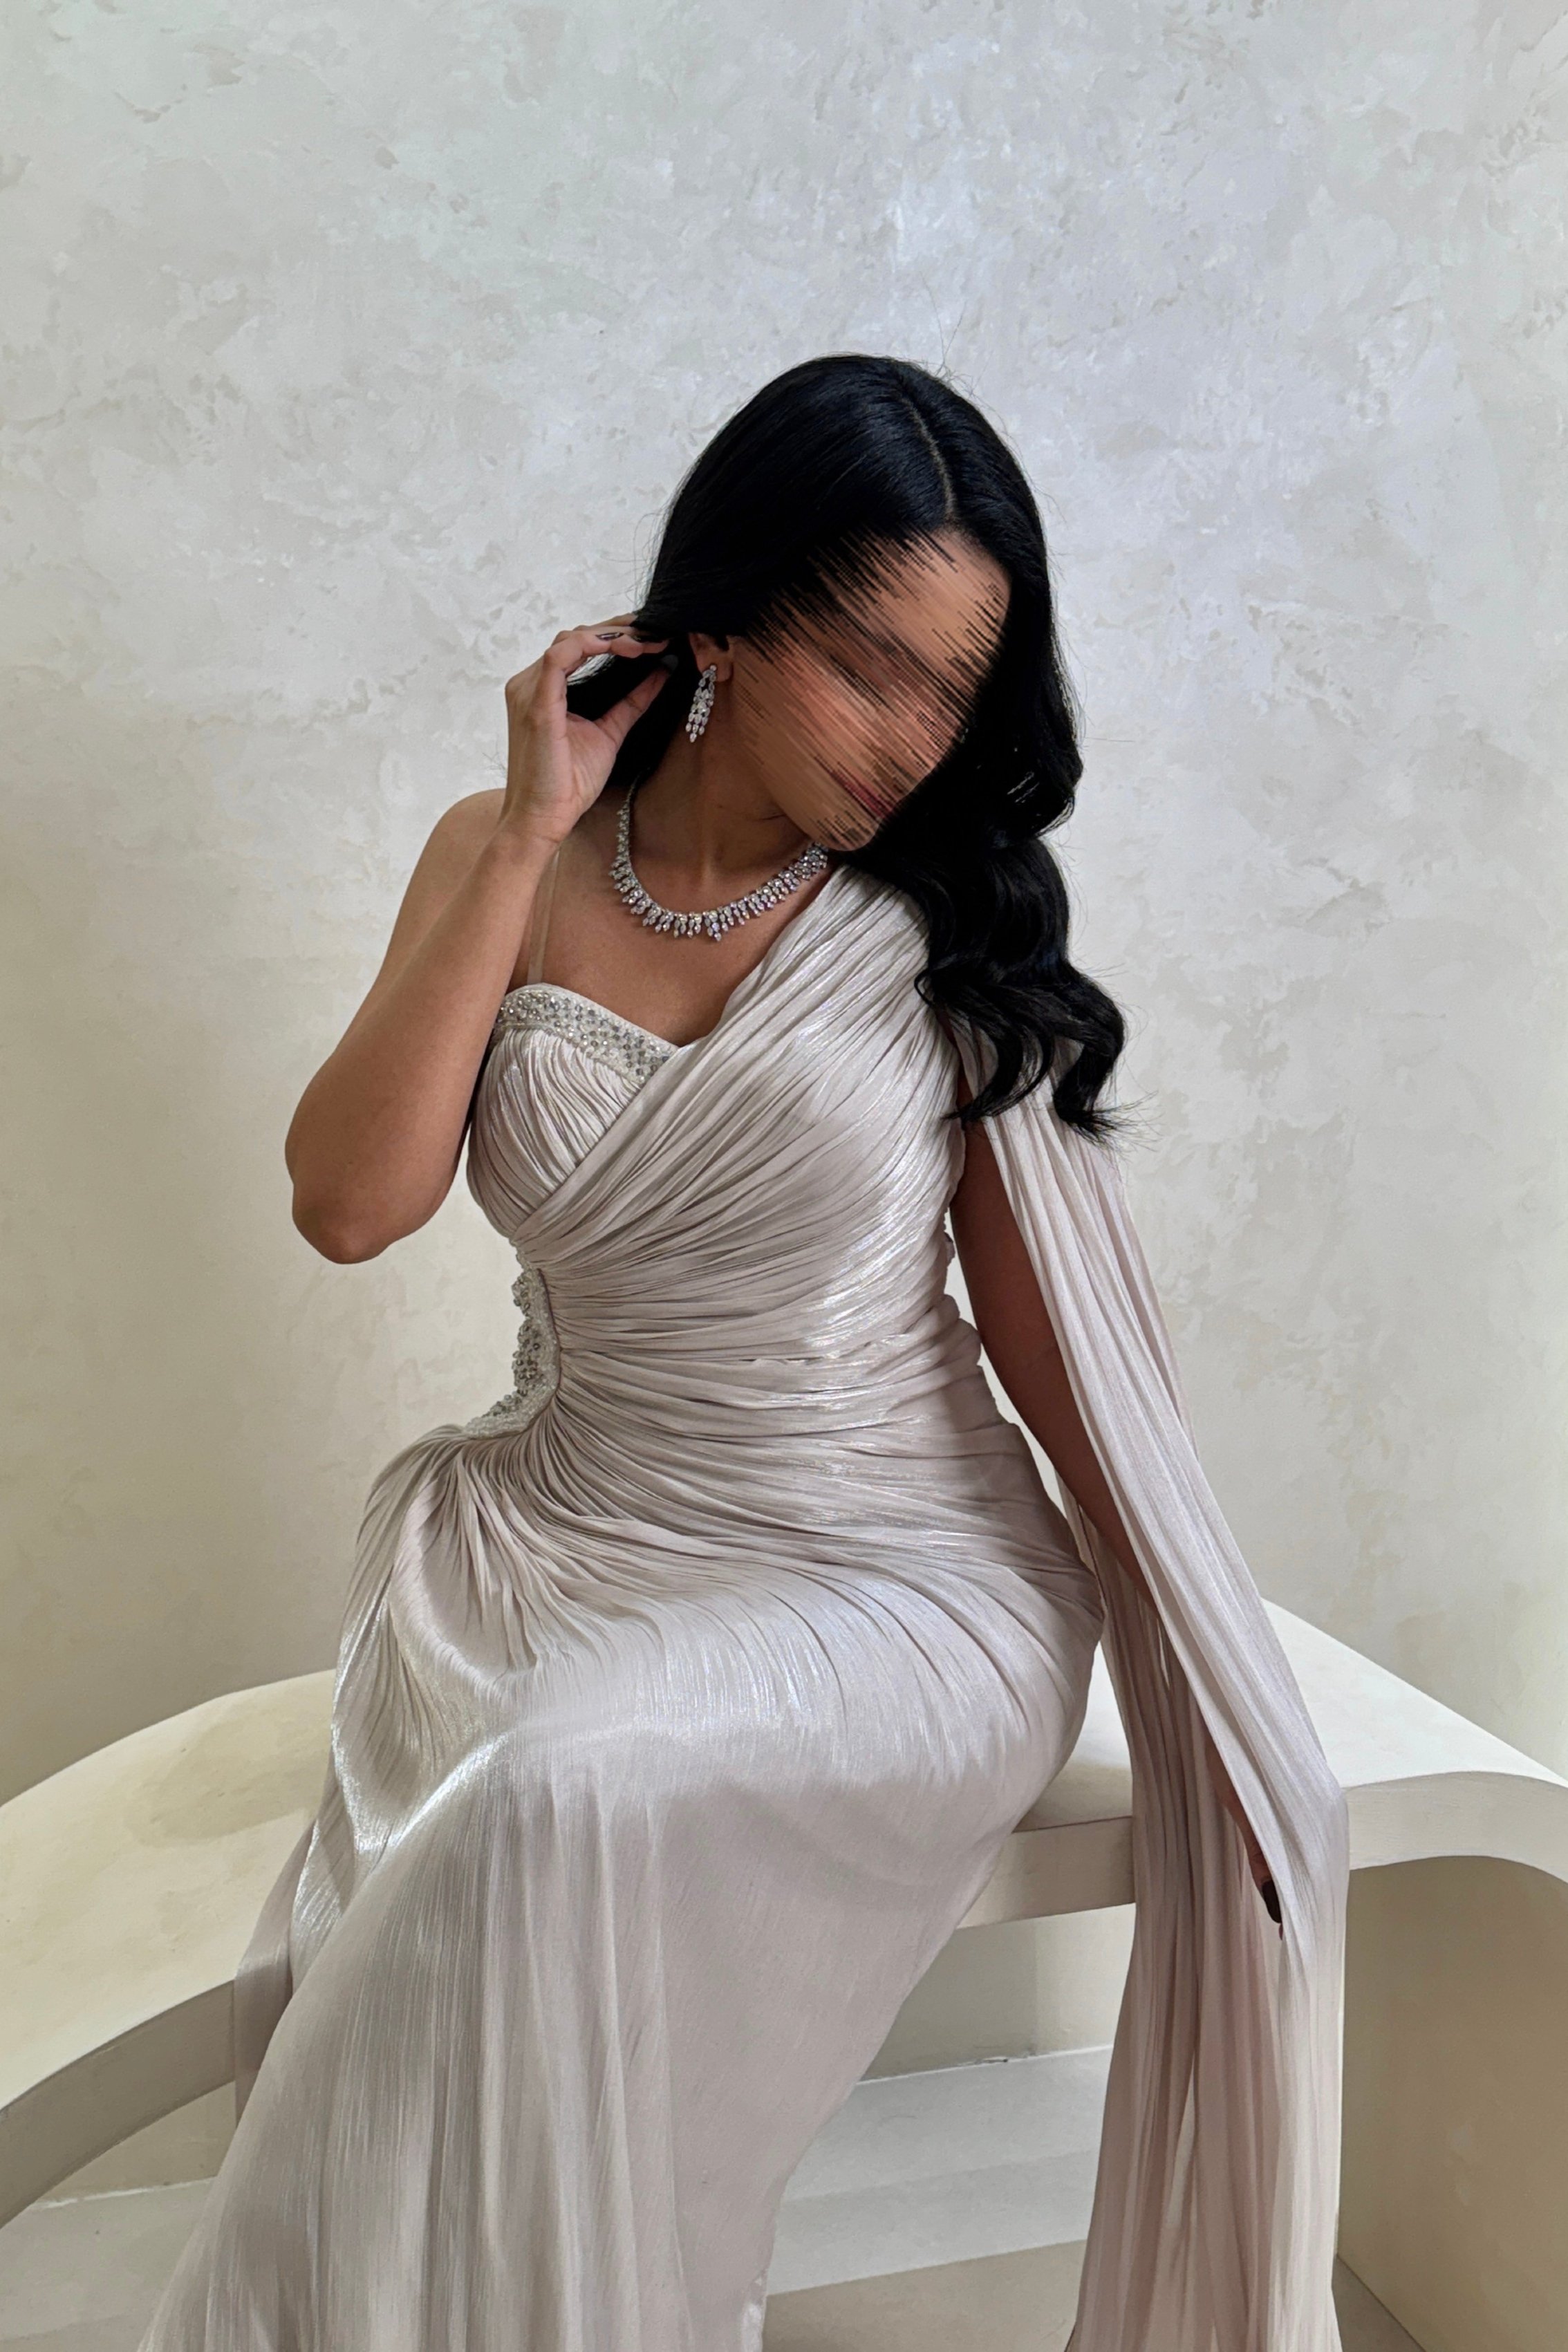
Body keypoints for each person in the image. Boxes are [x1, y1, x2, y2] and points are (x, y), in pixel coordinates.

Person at [140, 354, 1348, 2351]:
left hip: (903, 1577)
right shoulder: (504, 854)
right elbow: (349, 1203)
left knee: (544, 1803)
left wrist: (1204, 1668)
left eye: (955, 690)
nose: (915, 740)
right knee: (515, 1828)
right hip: (561, 1544)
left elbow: (1059, 1360)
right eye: (869, 666)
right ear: (720, 614)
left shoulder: (949, 932)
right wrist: (529, 831)